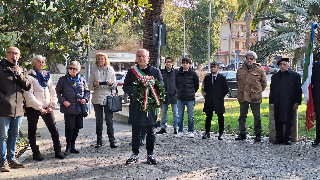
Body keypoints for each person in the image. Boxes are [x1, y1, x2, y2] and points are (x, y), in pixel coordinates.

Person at [123, 49, 163, 165]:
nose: (141, 58)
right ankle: (135, 154)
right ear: (137, 58)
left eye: (143, 56)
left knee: (151, 132)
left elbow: (160, 86)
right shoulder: (132, 72)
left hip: (150, 107)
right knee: (136, 131)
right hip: (136, 106)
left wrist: (149, 92)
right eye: (139, 56)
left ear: (148, 58)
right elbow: (126, 87)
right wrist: (138, 91)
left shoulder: (155, 71)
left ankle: (150, 154)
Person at [24, 55, 65, 161]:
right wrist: (39, 107)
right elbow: (28, 95)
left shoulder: (47, 75)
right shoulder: (29, 76)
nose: (41, 64)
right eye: (38, 61)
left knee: (53, 129)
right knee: (32, 130)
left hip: (47, 107)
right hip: (33, 108)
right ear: (33, 63)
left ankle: (58, 151)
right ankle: (36, 153)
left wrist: (52, 105)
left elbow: (53, 92)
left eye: (42, 62)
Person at [0, 47, 31, 172]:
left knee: (14, 135)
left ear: (19, 56)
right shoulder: (1, 68)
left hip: (18, 109)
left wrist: (19, 74)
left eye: (16, 53)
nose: (14, 55)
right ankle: (2, 162)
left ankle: (11, 159)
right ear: (6, 54)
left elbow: (27, 86)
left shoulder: (21, 69)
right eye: (11, 53)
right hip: (3, 108)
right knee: (2, 136)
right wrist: (4, 100)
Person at [56, 61, 90, 156]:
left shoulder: (82, 80)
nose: (72, 70)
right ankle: (68, 147)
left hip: (79, 108)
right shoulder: (63, 80)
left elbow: (87, 92)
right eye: (70, 68)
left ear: (78, 70)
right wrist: (63, 101)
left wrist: (85, 99)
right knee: (69, 128)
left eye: (74, 68)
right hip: (69, 108)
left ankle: (73, 145)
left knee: (77, 127)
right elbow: (57, 93)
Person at [235, 51, 267, 142]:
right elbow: (238, 80)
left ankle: (257, 134)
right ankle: (242, 133)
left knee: (256, 116)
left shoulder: (260, 70)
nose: (249, 60)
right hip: (243, 96)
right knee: (242, 116)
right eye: (247, 58)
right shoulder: (240, 69)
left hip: (255, 97)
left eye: (251, 59)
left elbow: (264, 84)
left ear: (255, 60)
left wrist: (257, 92)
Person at [88, 52, 117, 148]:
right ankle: (99, 141)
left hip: (108, 98)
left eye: (102, 59)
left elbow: (115, 86)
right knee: (98, 121)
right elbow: (89, 86)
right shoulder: (94, 70)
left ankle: (112, 141)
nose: (100, 61)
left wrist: (110, 84)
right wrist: (95, 84)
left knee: (109, 121)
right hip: (97, 98)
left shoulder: (111, 70)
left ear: (105, 60)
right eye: (98, 59)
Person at [270, 58, 302, 145]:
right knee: (278, 120)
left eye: (284, 64)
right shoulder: (275, 76)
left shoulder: (295, 76)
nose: (282, 66)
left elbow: (298, 91)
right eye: (280, 64)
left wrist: (297, 102)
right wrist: (271, 102)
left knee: (289, 121)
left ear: (288, 65)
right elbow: (272, 91)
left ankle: (287, 138)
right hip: (278, 102)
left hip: (290, 102)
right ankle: (279, 138)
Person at [202, 62, 228, 140]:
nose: (212, 68)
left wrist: (220, 96)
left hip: (218, 100)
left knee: (220, 117)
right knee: (208, 117)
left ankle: (221, 133)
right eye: (211, 67)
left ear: (218, 68)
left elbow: (225, 89)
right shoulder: (207, 78)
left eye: (214, 67)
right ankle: (207, 132)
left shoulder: (222, 78)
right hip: (209, 100)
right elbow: (205, 88)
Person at [175, 57, 199, 138]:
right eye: (183, 63)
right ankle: (180, 131)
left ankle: (191, 131)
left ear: (189, 64)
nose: (185, 64)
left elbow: (196, 85)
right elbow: (176, 84)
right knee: (180, 116)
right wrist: (179, 91)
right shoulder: (178, 73)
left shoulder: (193, 74)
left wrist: (192, 92)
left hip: (190, 98)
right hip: (180, 98)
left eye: (186, 63)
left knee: (190, 116)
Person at [156, 56, 178, 135]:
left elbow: (178, 83)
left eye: (170, 62)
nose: (168, 63)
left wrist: (176, 91)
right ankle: (163, 127)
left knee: (175, 112)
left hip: (174, 95)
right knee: (164, 112)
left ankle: (176, 127)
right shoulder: (161, 72)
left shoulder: (176, 72)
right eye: (167, 62)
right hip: (164, 95)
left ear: (172, 63)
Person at [312, 53, 320, 146]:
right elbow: (312, 80)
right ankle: (318, 138)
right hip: (318, 96)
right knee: (319, 118)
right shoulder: (316, 66)